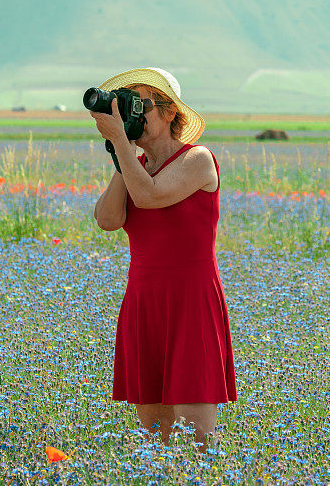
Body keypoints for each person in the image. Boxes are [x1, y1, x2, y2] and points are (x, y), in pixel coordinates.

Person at [90, 68, 237, 453]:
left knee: (197, 442)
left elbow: (150, 197)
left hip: (191, 302)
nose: (133, 115)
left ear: (171, 113)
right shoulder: (135, 166)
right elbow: (108, 219)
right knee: (157, 440)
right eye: (128, 107)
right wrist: (124, 154)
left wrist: (122, 144)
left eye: (143, 106)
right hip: (145, 302)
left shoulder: (198, 159)